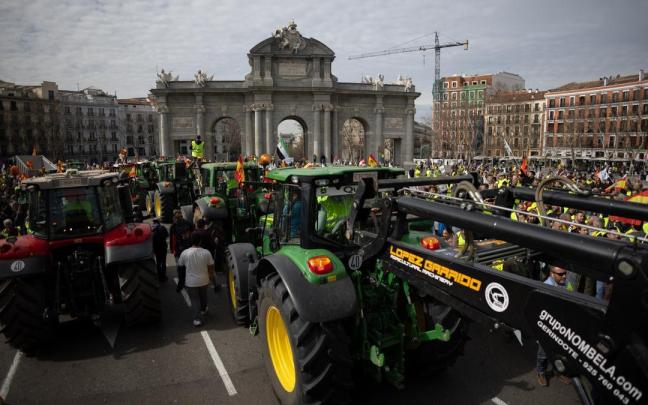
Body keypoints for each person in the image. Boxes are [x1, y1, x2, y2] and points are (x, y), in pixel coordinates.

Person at [537, 265, 573, 387]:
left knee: (559, 353)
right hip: (547, 326)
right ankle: (541, 373)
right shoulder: (546, 286)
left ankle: (558, 372)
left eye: (565, 273)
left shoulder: (566, 283)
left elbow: (571, 297)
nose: (564, 276)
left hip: (561, 326)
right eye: (561, 274)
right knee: (543, 353)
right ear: (552, 274)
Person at [176, 233, 215, 327]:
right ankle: (204, 309)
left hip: (190, 282)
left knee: (194, 300)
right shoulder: (206, 252)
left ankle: (196, 319)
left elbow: (180, 269)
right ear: (200, 241)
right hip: (204, 281)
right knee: (203, 297)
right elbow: (211, 267)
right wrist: (211, 279)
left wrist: (180, 283)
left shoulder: (185, 253)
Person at [170, 209, 194, 292]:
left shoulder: (174, 226)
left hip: (180, 250)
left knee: (180, 268)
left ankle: (181, 285)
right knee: (187, 266)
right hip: (186, 248)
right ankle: (186, 283)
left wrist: (173, 250)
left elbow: (172, 239)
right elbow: (192, 233)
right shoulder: (187, 223)